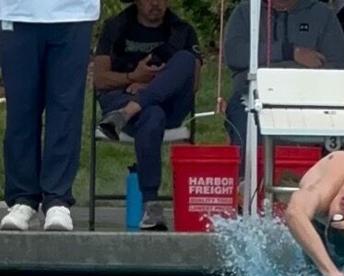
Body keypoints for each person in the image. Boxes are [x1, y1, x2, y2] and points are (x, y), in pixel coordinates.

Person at [94, 0, 202, 231]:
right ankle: (151, 204)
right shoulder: (116, 26)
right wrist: (133, 77)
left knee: (185, 60)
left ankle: (131, 109)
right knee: (151, 115)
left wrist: (150, 88)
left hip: (167, 105)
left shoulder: (182, 30)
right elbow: (100, 79)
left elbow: (194, 83)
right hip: (121, 98)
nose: (156, 3)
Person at [0, 0, 100, 231]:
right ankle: (23, 199)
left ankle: (58, 199)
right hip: (18, 13)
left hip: (74, 14)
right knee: (21, 110)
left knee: (65, 110)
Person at [223, 0, 344, 148]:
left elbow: (337, 66)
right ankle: (250, 171)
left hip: (309, 98)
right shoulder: (246, 12)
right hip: (253, 96)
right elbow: (234, 55)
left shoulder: (322, 14)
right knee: (245, 124)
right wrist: (289, 52)